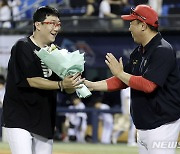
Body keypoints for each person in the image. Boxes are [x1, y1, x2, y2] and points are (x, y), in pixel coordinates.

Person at [85, 4, 180, 154]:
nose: (129, 28)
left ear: (143, 25)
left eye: (131, 23)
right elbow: (122, 81)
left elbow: (149, 85)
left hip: (163, 125)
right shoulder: (139, 51)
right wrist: (92, 85)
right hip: (144, 124)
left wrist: (120, 73)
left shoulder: (163, 50)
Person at [1, 6, 84, 154]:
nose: (56, 28)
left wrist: (72, 82)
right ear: (38, 25)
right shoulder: (23, 46)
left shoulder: (56, 51)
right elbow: (32, 80)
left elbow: (67, 88)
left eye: (58, 24)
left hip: (44, 119)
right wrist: (60, 84)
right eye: (52, 23)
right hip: (20, 118)